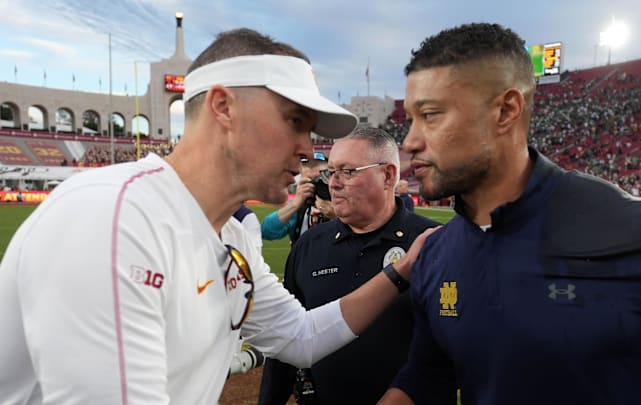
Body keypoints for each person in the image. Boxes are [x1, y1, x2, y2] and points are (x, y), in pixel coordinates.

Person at [0, 28, 434, 404]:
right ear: (223, 106)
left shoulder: (233, 232)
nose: (308, 149)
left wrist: (402, 270)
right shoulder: (113, 218)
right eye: (294, 120)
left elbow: (299, 336)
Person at [379, 23, 641, 404]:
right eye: (410, 118)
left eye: (430, 115)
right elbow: (427, 374)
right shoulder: (436, 254)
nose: (409, 141)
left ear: (506, 110)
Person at [258, 128, 451, 405]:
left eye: (348, 172)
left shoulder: (432, 244)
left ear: (388, 175)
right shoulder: (310, 245)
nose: (334, 183)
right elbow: (286, 344)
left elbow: (451, 355)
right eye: (331, 172)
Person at [262, 151, 334, 244]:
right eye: (310, 181)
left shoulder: (343, 202)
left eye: (320, 179)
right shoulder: (300, 208)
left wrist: (335, 216)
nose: (316, 185)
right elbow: (266, 231)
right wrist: (295, 204)